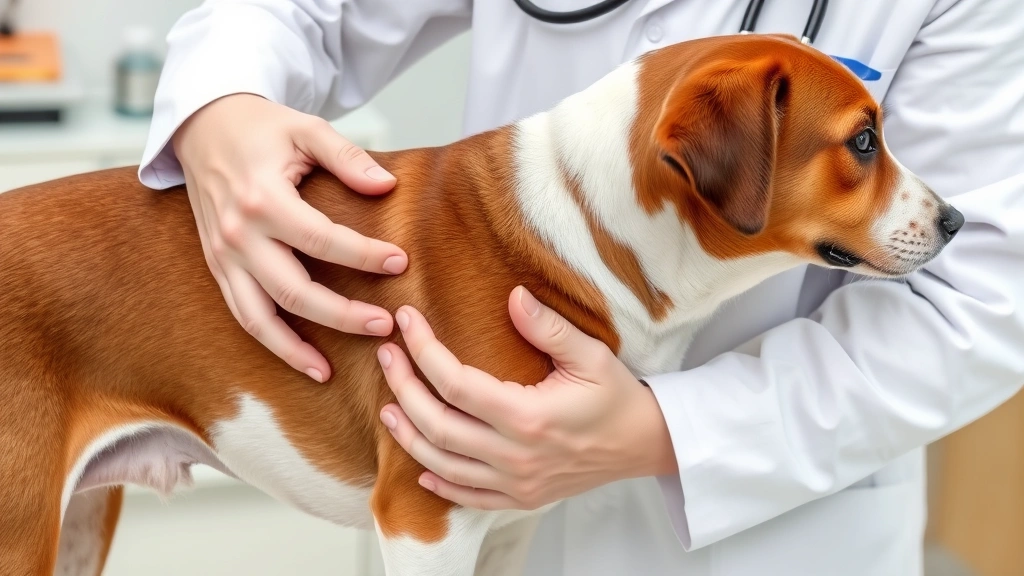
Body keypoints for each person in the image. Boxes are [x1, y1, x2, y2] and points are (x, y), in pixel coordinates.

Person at [140, 1, 1024, 574]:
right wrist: (221, 107)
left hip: (767, 524)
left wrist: (667, 432)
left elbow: (978, 297)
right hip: (460, 485)